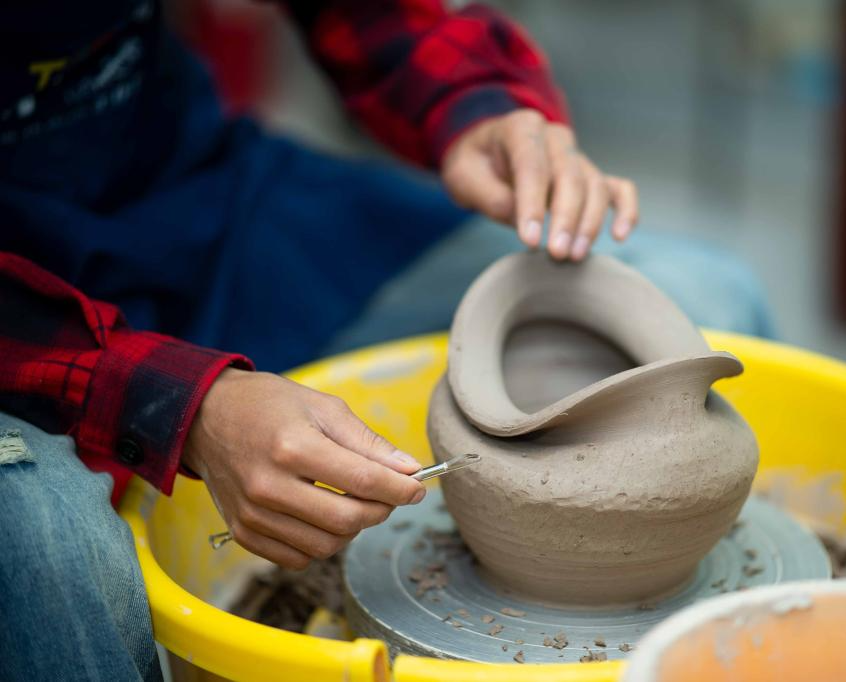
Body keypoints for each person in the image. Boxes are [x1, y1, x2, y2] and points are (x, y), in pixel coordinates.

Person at [0, 1, 772, 679]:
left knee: (710, 292)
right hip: (25, 327)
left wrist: (475, 104)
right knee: (50, 553)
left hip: (184, 195)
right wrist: (180, 405)